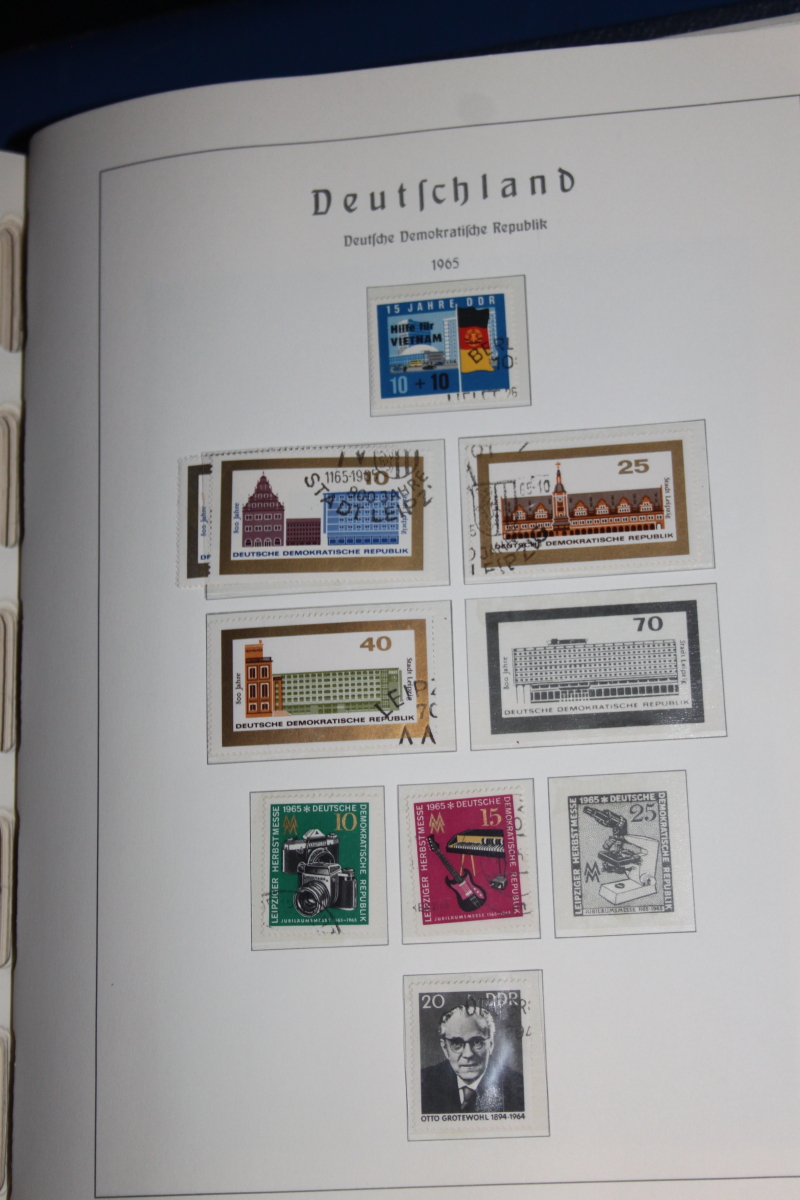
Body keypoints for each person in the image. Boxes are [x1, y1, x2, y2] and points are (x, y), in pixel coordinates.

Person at [420, 1003, 525, 1113]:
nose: (468, 1054)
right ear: (445, 1048)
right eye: (456, 1043)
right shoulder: (424, 1083)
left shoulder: (518, 1087)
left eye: (477, 1042)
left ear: (491, 1044)